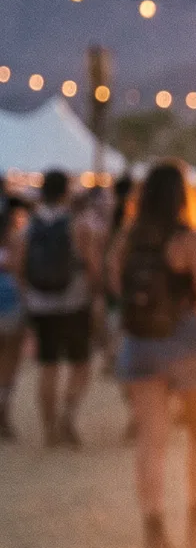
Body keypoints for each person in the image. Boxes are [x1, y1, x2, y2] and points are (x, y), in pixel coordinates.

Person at [106, 160, 196, 548]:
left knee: (151, 441)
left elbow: (113, 283)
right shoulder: (191, 239)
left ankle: (154, 529)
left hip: (141, 344)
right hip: (188, 340)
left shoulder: (127, 237)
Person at [15, 168, 104, 446]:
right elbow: (92, 265)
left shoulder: (30, 225)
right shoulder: (78, 224)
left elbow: (18, 265)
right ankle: (68, 412)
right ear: (67, 191)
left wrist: (28, 294)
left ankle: (49, 430)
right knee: (81, 363)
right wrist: (95, 294)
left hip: (41, 305)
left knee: (48, 366)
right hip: (74, 303)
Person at [0, 195, 27, 439]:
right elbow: (20, 272)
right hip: (10, 305)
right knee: (9, 363)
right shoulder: (15, 238)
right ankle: (3, 415)